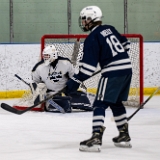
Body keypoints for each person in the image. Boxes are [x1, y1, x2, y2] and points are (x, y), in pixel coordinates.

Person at [65, 6, 132, 151]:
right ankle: (123, 135)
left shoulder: (92, 38)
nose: (83, 23)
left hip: (112, 73)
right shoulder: (110, 28)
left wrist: (74, 82)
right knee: (116, 103)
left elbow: (88, 69)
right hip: (126, 70)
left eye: (84, 20)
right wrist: (111, 57)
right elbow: (126, 44)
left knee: (99, 104)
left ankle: (96, 138)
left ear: (90, 19)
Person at [31, 45, 92, 113]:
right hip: (51, 94)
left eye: (47, 55)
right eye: (44, 55)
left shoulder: (65, 63)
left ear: (53, 55)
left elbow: (74, 76)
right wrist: (39, 93)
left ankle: (69, 102)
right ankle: (61, 103)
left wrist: (73, 83)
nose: (45, 57)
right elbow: (34, 82)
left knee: (82, 97)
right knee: (65, 106)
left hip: (66, 91)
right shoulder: (39, 67)